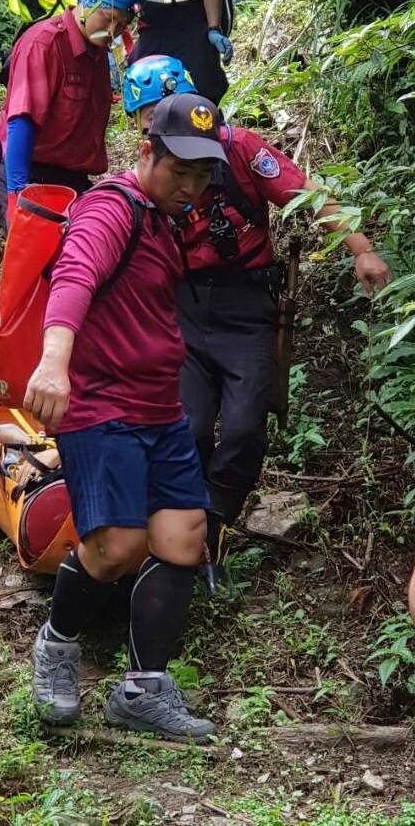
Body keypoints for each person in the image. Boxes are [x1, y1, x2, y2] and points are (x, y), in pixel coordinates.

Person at [123, 72, 391, 595]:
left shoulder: (242, 150)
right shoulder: (148, 175)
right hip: (184, 307)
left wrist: (360, 247)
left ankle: (216, 529)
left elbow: (305, 195)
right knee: (191, 426)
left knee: (245, 428)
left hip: (247, 307)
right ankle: (186, 530)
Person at [23, 92, 228, 741]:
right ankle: (57, 643)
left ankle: (143, 690)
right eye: (179, 171)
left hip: (156, 403)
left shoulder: (166, 216)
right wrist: (53, 359)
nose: (189, 187)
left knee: (183, 539)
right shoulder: (108, 209)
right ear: (145, 152)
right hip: (98, 403)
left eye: (201, 175)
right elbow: (75, 276)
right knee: (115, 550)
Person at [0, 0, 147, 230]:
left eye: (121, 25)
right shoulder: (44, 44)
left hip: (72, 177)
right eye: (108, 18)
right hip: (30, 171)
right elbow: (21, 121)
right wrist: (17, 195)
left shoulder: (97, 50)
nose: (112, 32)